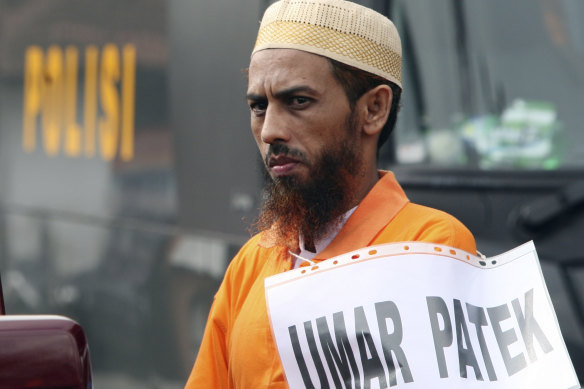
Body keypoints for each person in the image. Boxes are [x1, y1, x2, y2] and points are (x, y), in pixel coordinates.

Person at [185, 0, 476, 387]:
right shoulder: (251, 263)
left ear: (374, 109)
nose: (270, 130)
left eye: (298, 101)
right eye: (259, 106)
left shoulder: (431, 246)